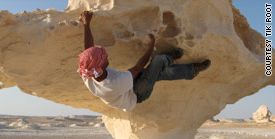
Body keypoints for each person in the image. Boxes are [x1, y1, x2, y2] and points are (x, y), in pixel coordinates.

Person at [78, 11, 211, 112]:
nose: (107, 57)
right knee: (158, 61)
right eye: (105, 57)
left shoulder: (88, 71)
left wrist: (87, 24)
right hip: (136, 93)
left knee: (160, 73)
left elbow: (89, 52)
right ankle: (168, 58)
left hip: (127, 86)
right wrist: (151, 46)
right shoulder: (113, 84)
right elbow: (138, 67)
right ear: (100, 65)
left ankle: (190, 70)